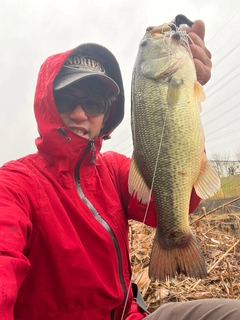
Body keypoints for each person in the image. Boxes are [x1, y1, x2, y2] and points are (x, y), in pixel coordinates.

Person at [0, 20, 239, 320]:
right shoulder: (14, 184)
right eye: (66, 99)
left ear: (107, 112)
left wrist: (189, 91)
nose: (79, 113)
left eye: (94, 102)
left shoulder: (113, 171)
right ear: (46, 101)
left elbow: (181, 200)